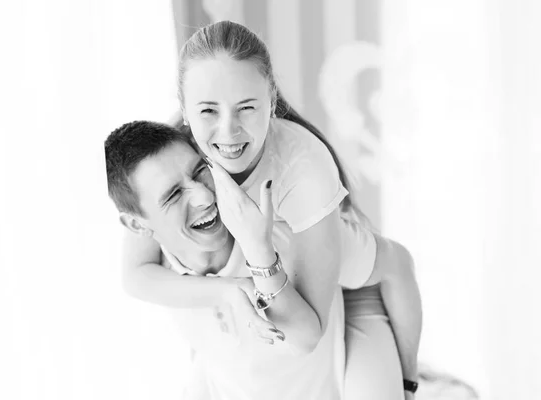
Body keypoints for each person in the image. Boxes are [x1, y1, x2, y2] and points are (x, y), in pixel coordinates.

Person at [121, 21, 422, 400]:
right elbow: (135, 274)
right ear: (184, 110)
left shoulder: (303, 175)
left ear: (271, 99)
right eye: (208, 111)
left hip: (350, 290)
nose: (228, 132)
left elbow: (309, 331)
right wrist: (227, 293)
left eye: (247, 107)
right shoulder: (175, 151)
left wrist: (406, 383)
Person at [105, 121, 345, 399]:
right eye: (173, 195)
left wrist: (259, 254)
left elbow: (305, 339)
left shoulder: (283, 235)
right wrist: (232, 290)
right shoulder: (163, 270)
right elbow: (134, 278)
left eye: (199, 171)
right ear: (138, 227)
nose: (205, 197)